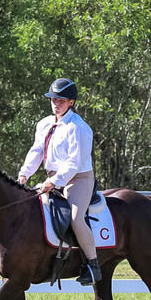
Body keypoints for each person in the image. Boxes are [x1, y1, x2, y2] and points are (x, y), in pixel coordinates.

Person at [18, 78, 102, 285]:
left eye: (61, 100)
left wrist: (54, 182)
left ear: (71, 102)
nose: (56, 104)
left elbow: (74, 163)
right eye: (53, 99)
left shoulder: (78, 127)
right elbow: (37, 151)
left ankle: (93, 265)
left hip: (77, 179)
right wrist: (24, 174)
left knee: (75, 218)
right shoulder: (44, 124)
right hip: (53, 177)